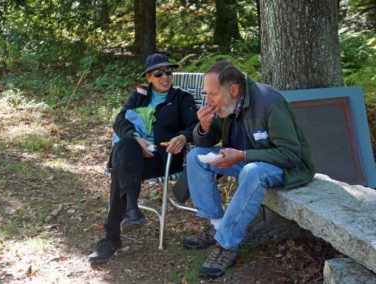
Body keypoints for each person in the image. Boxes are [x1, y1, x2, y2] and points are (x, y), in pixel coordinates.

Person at [183, 61, 315, 278]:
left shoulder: (269, 102)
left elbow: (291, 154)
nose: (208, 100)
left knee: (252, 171)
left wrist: (243, 155)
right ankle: (216, 225)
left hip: (286, 168)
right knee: (195, 157)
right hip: (246, 161)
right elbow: (206, 141)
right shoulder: (227, 105)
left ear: (233, 90)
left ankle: (226, 244)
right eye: (207, 94)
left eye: (213, 94)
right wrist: (204, 127)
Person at [89, 53, 198, 264]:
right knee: (126, 145)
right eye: (158, 73)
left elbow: (195, 126)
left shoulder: (181, 98)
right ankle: (131, 210)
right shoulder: (139, 95)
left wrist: (183, 137)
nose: (165, 76)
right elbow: (119, 120)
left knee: (121, 167)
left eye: (168, 72)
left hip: (164, 157)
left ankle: (113, 236)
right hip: (135, 156)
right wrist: (136, 138)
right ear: (148, 77)